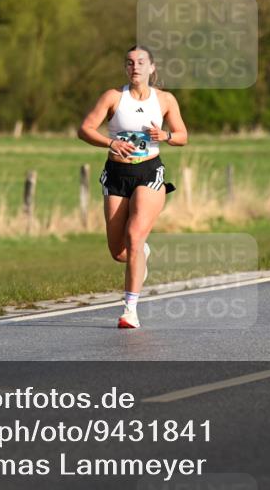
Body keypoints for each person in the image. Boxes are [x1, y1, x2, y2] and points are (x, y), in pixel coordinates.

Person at [77, 45, 187, 328]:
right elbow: (85, 129)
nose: (135, 67)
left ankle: (130, 310)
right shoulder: (114, 97)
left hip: (149, 171)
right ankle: (142, 253)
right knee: (119, 252)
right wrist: (112, 142)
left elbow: (183, 136)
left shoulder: (164, 100)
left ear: (152, 68)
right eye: (129, 63)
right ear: (125, 68)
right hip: (116, 173)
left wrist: (165, 135)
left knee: (134, 235)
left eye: (141, 62)